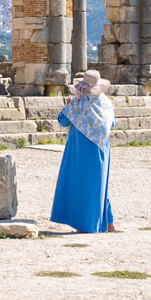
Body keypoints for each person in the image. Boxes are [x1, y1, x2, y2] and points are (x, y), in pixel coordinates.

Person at [50, 69, 116, 234]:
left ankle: (87, 225)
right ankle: (109, 222)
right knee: (100, 183)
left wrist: (68, 105)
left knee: (82, 183)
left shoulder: (79, 102)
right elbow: (112, 123)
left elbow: (62, 121)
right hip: (101, 146)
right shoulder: (106, 102)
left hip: (80, 147)